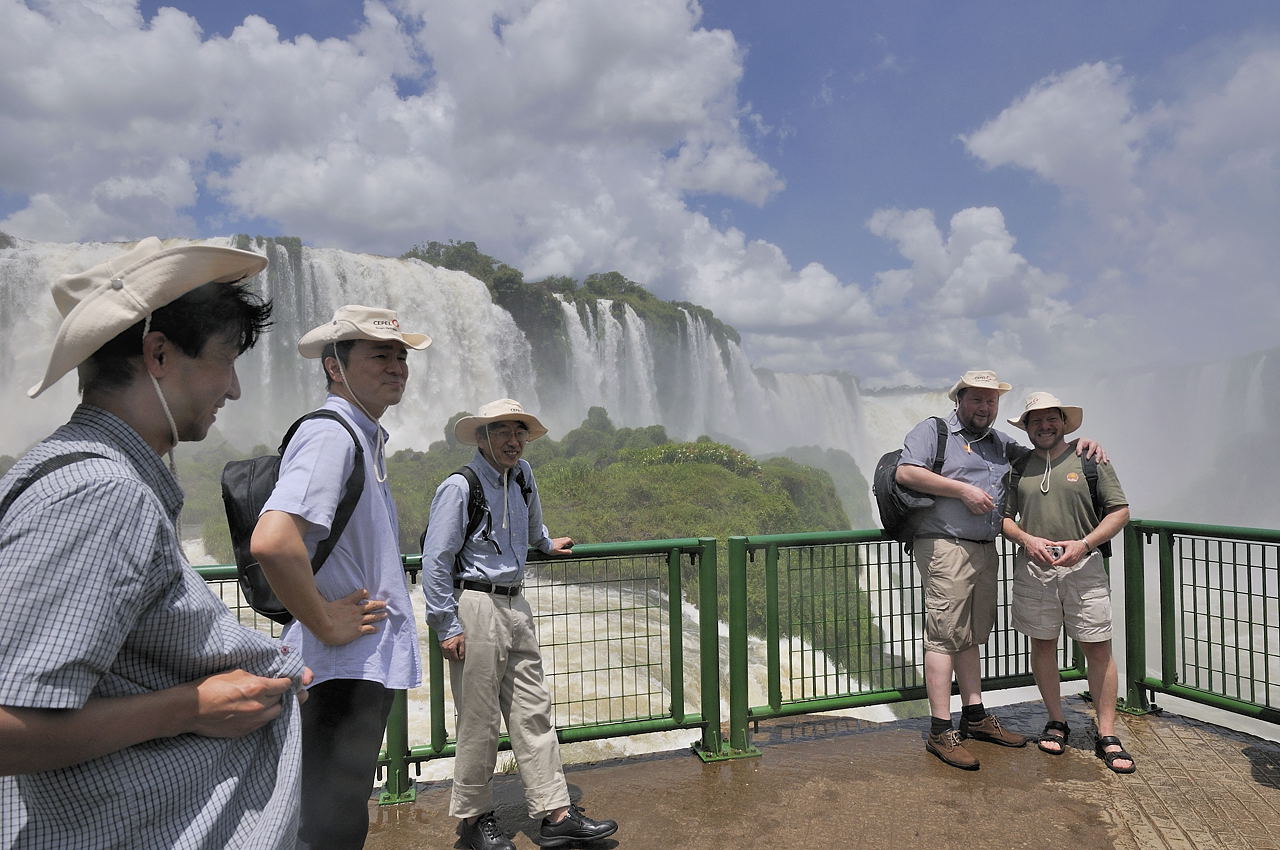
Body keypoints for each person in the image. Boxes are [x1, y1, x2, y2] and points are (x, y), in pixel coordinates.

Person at [0, 237, 309, 847]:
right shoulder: (99, 495)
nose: (235, 389)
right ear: (159, 354)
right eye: (226, 360)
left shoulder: (77, 474)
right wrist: (189, 708)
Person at [251, 305, 431, 849]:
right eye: (380, 355)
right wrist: (325, 623)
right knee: (327, 823)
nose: (396, 366)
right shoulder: (331, 435)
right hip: (338, 667)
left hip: (354, 664)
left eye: (400, 356)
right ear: (335, 366)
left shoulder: (362, 436)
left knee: (337, 812)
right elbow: (273, 540)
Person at [421, 399, 618, 850]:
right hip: (475, 606)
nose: (514, 441)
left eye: (519, 432)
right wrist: (446, 625)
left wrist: (546, 543)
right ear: (481, 438)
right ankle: (474, 818)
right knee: (479, 720)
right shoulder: (460, 486)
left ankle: (556, 813)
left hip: (515, 603)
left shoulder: (523, 476)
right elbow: (435, 560)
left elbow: (531, 529)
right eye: (502, 432)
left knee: (533, 710)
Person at [895, 369, 1107, 771]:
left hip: (984, 546)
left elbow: (1046, 451)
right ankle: (940, 730)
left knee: (971, 633)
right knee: (943, 635)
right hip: (945, 545)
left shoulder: (998, 442)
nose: (984, 407)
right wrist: (962, 489)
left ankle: (974, 716)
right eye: (977, 399)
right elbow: (906, 472)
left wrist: (1081, 445)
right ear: (959, 399)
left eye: (991, 400)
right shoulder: (935, 431)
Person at [1000, 392, 1134, 773]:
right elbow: (1004, 519)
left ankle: (1107, 733)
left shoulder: (1089, 459)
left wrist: (1085, 544)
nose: (1044, 426)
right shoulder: (1019, 466)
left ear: (1063, 423)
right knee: (1043, 645)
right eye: (1036, 421)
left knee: (1097, 648)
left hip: (1084, 567)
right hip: (1035, 569)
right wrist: (1027, 540)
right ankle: (1056, 720)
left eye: (1051, 419)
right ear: (1027, 428)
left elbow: (1120, 511)